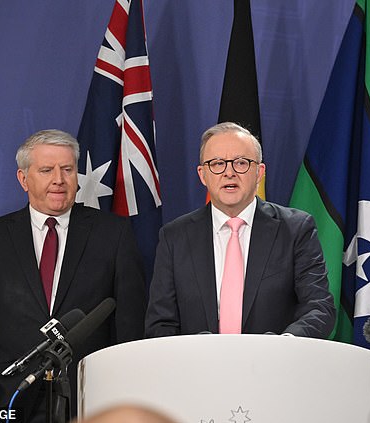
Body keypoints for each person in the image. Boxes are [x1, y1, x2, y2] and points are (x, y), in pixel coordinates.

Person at [0, 129, 147, 422]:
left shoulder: (113, 234)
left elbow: (130, 329)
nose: (59, 179)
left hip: (91, 401)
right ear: (23, 179)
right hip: (11, 402)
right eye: (46, 170)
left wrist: (120, 399)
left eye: (67, 169)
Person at [144, 122, 335, 338]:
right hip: (198, 368)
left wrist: (283, 347)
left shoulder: (295, 230)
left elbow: (319, 307)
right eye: (217, 164)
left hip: (274, 366)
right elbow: (160, 323)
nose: (229, 173)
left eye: (241, 163)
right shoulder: (175, 237)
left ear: (259, 172)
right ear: (202, 175)